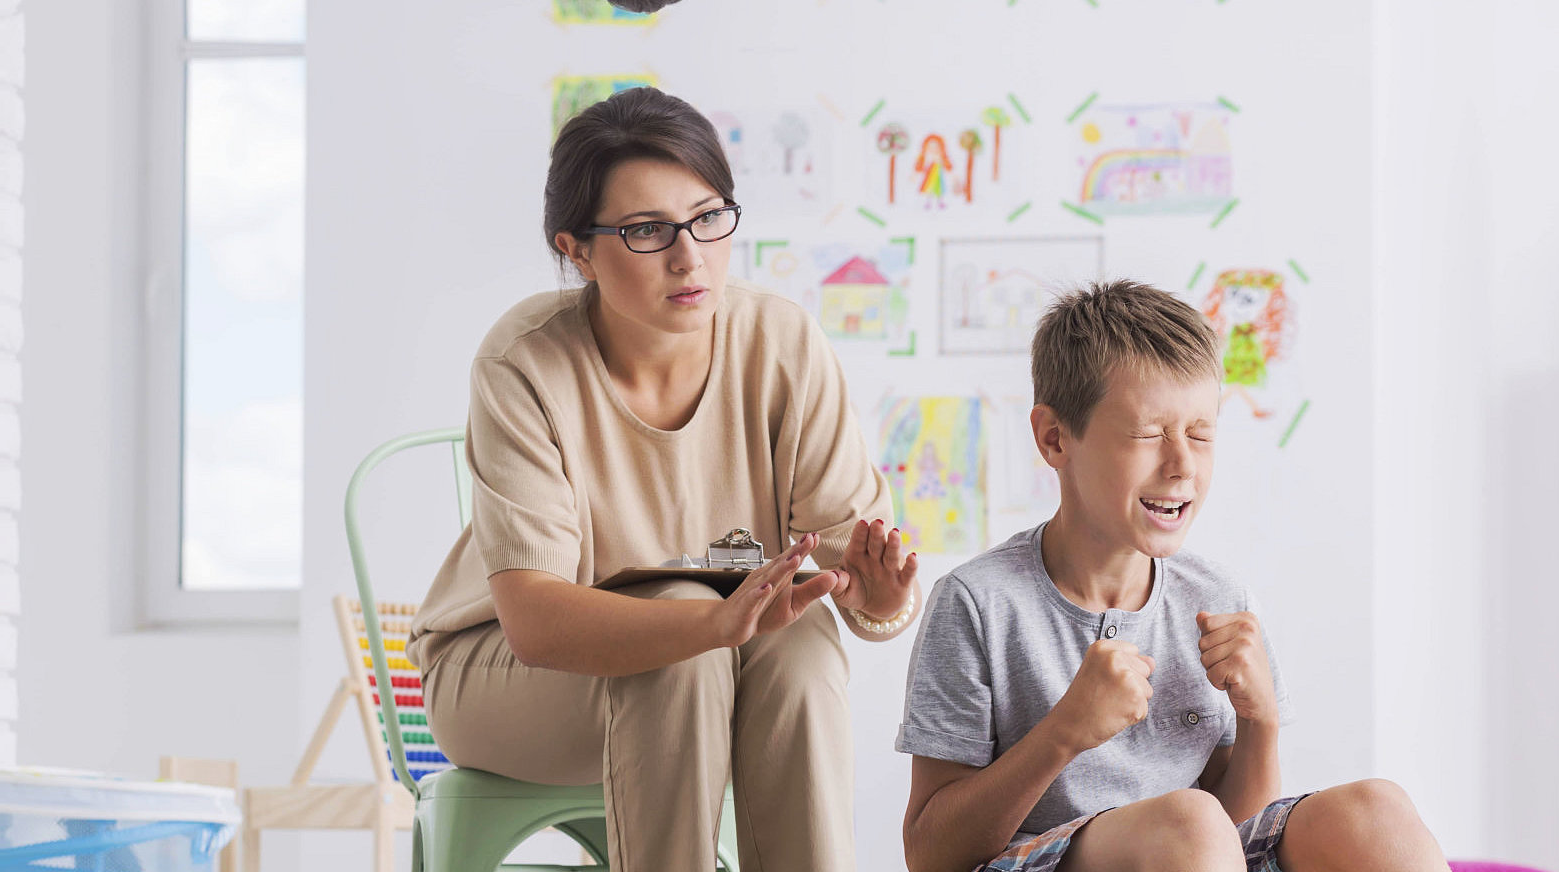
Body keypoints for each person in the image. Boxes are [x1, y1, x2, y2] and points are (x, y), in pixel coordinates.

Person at [405, 87, 920, 872]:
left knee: (804, 641)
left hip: (713, 653)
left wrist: (878, 601)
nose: (690, 257)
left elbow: (854, 558)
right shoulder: (524, 361)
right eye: (647, 230)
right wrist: (708, 626)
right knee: (680, 639)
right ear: (577, 250)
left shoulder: (780, 341)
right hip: (502, 672)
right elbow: (534, 622)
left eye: (708, 217)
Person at [896, 280, 1448, 872]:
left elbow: (1240, 835)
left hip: (1196, 850)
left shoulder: (1217, 598)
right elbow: (932, 854)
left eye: (1200, 434)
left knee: (1377, 810)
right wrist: (1064, 732)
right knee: (1189, 821)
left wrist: (1260, 722)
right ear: (1055, 439)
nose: (1182, 464)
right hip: (1038, 859)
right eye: (1148, 434)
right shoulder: (978, 603)